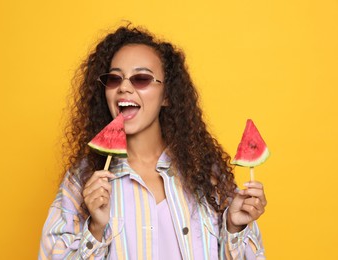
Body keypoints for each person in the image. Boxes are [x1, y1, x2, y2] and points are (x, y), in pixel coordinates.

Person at [39, 25, 267, 260]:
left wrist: (234, 227)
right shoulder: (83, 180)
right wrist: (95, 231)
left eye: (141, 79)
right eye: (114, 79)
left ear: (167, 95)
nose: (124, 88)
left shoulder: (205, 174)